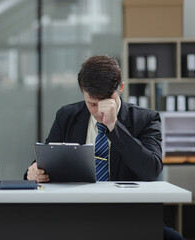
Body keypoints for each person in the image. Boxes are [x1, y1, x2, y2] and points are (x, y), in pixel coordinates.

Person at [24, 55, 183, 239]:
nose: (99, 111)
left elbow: (151, 169)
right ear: (82, 91)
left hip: (130, 218)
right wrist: (34, 172)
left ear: (121, 88)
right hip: (76, 216)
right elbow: (45, 161)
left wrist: (114, 127)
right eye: (92, 103)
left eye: (106, 101)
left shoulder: (145, 119)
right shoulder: (67, 116)